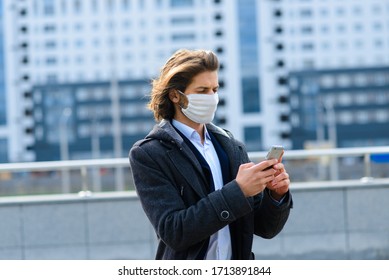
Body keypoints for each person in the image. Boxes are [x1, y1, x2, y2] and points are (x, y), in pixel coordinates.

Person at [129, 49, 293, 260]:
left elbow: (265, 228)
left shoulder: (232, 147)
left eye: (214, 89)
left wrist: (276, 195)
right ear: (175, 95)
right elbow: (174, 231)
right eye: (202, 90)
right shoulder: (149, 154)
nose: (212, 97)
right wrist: (239, 190)